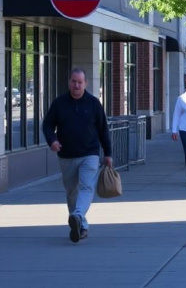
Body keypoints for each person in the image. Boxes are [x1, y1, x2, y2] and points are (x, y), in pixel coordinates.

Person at [42, 68, 112, 243]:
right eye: (74, 81)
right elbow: (47, 125)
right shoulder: (59, 103)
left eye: (80, 82)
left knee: (87, 187)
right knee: (72, 191)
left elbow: (103, 130)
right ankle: (81, 225)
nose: (76, 85)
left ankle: (78, 215)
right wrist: (52, 141)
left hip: (90, 154)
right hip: (66, 155)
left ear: (85, 84)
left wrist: (108, 153)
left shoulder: (94, 103)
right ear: (69, 82)